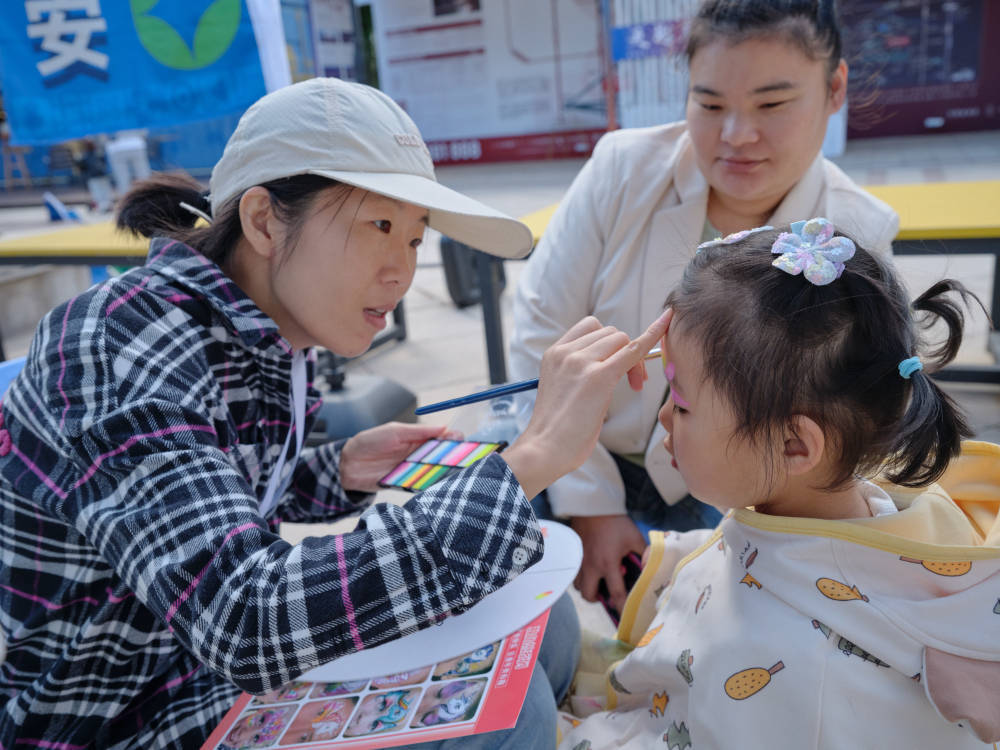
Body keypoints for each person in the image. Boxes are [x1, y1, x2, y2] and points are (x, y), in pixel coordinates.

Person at [0, 77, 669, 748]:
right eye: (379, 224)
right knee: (506, 717)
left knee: (539, 620)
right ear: (264, 220)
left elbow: (197, 491)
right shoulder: (128, 345)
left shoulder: (260, 323)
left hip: (199, 671)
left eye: (413, 238)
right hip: (116, 715)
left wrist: (335, 470)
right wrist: (534, 457)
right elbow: (244, 617)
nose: (400, 271)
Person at [509, 0, 901, 614]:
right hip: (584, 455)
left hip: (734, 482)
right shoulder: (623, 169)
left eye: (772, 104)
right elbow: (541, 331)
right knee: (482, 531)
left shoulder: (854, 234)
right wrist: (592, 503)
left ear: (835, 89)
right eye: (710, 104)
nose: (736, 135)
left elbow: (829, 426)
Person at [556, 219, 1000, 749]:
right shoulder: (855, 505)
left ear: (795, 446)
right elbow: (754, 558)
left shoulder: (784, 669)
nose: (665, 421)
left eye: (680, 403)